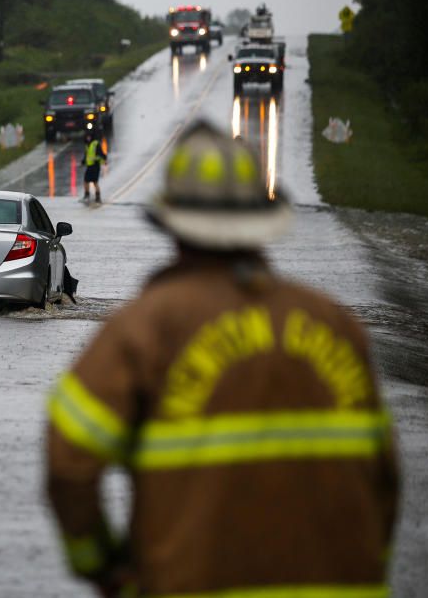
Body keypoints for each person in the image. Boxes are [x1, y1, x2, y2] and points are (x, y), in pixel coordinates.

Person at [45, 120, 399, 597]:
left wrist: (106, 569)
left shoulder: (146, 328)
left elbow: (68, 464)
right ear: (261, 223)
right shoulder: (335, 324)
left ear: (173, 226)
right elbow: (385, 478)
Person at [82, 130, 107, 204]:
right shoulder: (87, 145)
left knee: (95, 182)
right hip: (89, 166)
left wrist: (104, 159)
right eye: (87, 137)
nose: (88, 138)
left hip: (95, 166)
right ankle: (87, 195)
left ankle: (98, 197)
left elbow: (102, 154)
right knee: (86, 181)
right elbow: (86, 155)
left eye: (89, 137)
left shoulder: (95, 144)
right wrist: (83, 161)